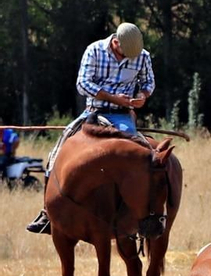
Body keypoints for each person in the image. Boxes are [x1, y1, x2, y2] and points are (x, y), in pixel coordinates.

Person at [26, 22, 155, 235]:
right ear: (115, 42)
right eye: (124, 53)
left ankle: (143, 214)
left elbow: (148, 82)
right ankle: (48, 212)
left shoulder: (142, 55)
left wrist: (142, 95)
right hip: (94, 111)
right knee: (59, 149)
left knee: (141, 156)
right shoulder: (94, 50)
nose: (128, 58)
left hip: (123, 117)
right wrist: (113, 97)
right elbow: (82, 84)